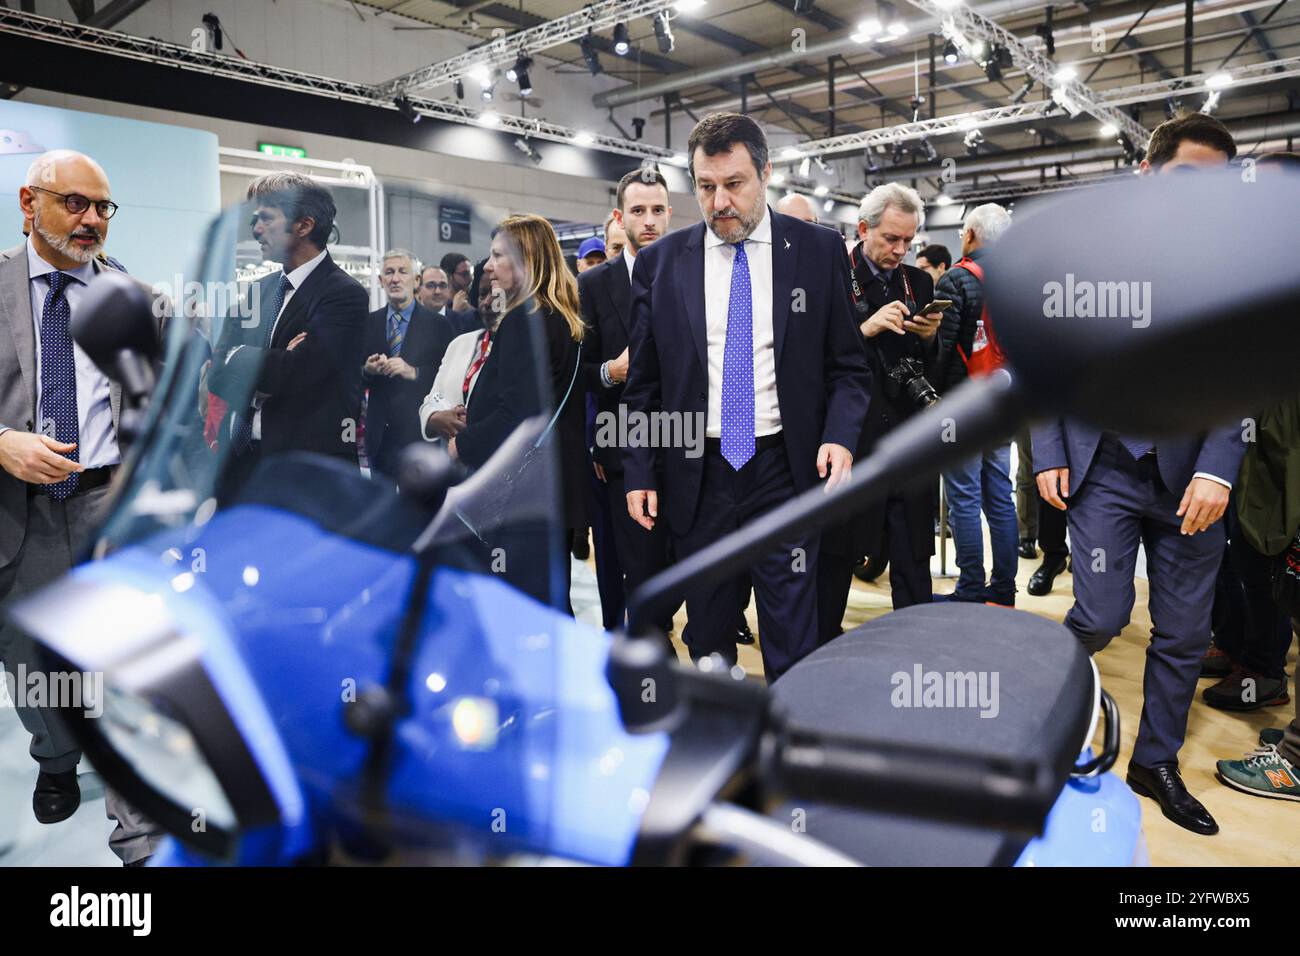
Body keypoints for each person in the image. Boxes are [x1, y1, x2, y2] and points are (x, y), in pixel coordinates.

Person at [1032, 111, 1247, 836]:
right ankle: (1048, 720)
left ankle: (1154, 761)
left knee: (1185, 634)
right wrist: (1049, 450)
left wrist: (1220, 470)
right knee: (1099, 614)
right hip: (1106, 467)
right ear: (1149, 172)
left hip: (1193, 479)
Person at [622, 112, 870, 680]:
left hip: (784, 471)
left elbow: (850, 369)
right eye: (705, 187)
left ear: (766, 173)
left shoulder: (816, 251)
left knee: (792, 634)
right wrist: (638, 470)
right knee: (707, 635)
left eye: (734, 184)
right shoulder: (662, 264)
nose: (719, 202)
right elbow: (644, 388)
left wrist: (840, 437)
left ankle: (791, 752)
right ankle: (720, 752)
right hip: (698, 475)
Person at [0, 149, 162, 863]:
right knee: (36, 667)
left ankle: (142, 838)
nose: (93, 220)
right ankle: (56, 758)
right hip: (18, 515)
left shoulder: (135, 298)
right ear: (29, 203)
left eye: (103, 207)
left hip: (108, 506)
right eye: (76, 203)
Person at [817, 182, 941, 642]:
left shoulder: (920, 282)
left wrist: (929, 335)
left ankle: (917, 648)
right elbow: (811, 360)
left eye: (909, 241)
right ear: (862, 227)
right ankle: (820, 651)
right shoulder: (831, 276)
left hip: (906, 438)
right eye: (891, 239)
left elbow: (933, 365)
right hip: (851, 438)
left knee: (912, 559)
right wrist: (862, 328)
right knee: (835, 557)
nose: (900, 250)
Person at [449, 216, 589, 614]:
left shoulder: (523, 322)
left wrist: (461, 444)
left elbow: (517, 414)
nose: (488, 266)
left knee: (525, 605)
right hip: (553, 487)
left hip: (523, 492)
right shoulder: (561, 319)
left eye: (498, 256)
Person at [208, 173, 368, 493]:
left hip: (307, 476)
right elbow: (216, 374)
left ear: (304, 225)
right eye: (255, 219)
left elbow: (297, 374)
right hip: (240, 467)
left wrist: (238, 359)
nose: (255, 230)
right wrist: (268, 364)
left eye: (266, 218)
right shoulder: (256, 293)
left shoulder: (344, 295)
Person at [581, 167, 677, 636]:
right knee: (633, 567)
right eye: (638, 211)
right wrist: (608, 372)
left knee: (679, 566)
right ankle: (640, 654)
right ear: (621, 217)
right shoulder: (594, 286)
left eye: (658, 210)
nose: (649, 220)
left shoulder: (692, 274)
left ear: (670, 214)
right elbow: (576, 372)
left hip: (688, 443)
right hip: (621, 448)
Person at [931, 203, 1018, 607]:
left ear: (968, 234)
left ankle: (969, 588)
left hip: (963, 406)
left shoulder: (957, 280)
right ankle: (1002, 590)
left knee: (964, 497)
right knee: (1000, 495)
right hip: (1003, 403)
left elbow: (943, 349)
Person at [361, 249, 454, 484]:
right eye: (389, 273)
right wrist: (367, 370)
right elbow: (350, 375)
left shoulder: (439, 326)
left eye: (403, 272)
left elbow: (450, 379)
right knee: (380, 512)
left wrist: (414, 372)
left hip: (422, 435)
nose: (395, 278)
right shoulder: (368, 324)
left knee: (423, 513)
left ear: (416, 280)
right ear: (381, 281)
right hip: (379, 438)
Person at [419, 259, 496, 444]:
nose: (487, 302)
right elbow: (431, 399)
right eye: (482, 294)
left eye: (496, 294)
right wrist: (434, 417)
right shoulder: (461, 344)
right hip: (452, 460)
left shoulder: (523, 349)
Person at [416, 263, 478, 335]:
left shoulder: (465, 323)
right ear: (419, 289)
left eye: (442, 285)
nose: (437, 291)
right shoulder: (409, 322)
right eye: (431, 285)